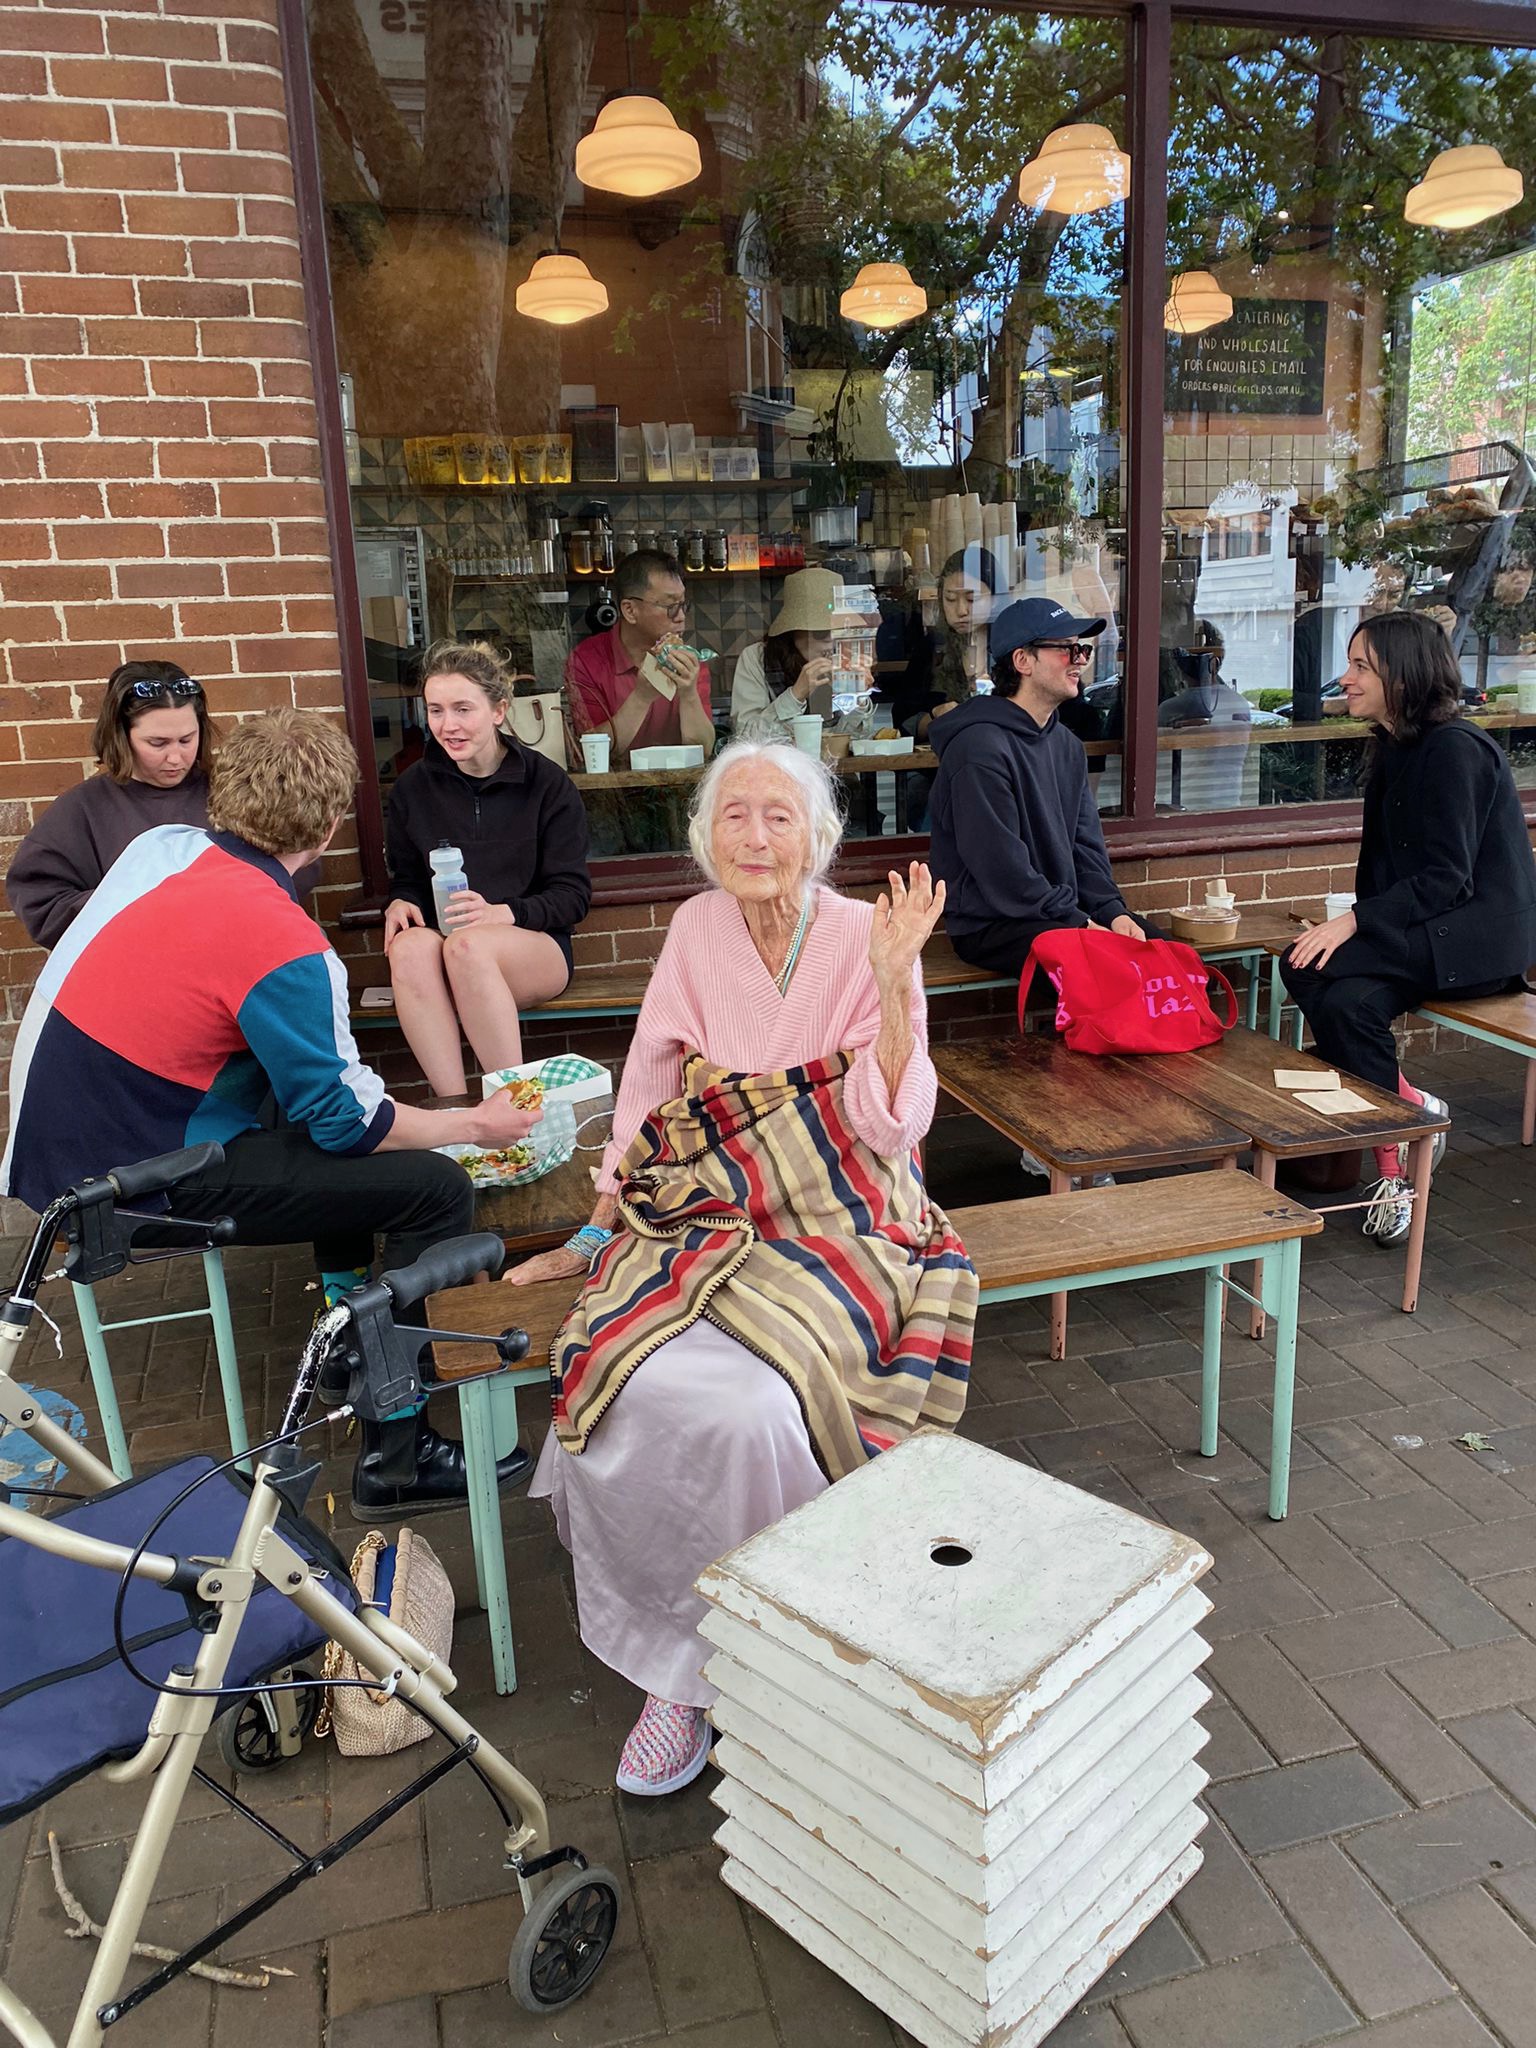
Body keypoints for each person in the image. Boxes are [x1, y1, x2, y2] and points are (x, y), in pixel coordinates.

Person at [503, 742, 976, 1797]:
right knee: (623, 1370)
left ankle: (789, 1635)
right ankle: (683, 1666)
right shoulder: (695, 928)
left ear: (817, 838)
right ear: (705, 836)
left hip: (842, 1213)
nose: (755, 838)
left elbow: (891, 1124)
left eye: (778, 818)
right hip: (702, 1207)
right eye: (734, 817)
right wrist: (597, 1227)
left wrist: (897, 985)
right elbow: (651, 1084)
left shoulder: (864, 934)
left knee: (761, 1408)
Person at [2, 710, 545, 1516]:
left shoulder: (163, 852)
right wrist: (474, 1124)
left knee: (338, 1142)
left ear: (224, 796)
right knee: (430, 1187)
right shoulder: (287, 944)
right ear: (329, 827)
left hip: (58, 1149)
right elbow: (350, 1125)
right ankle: (395, 1449)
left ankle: (343, 1345)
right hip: (134, 1185)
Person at [1282, 611, 1536, 1246]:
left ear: (1406, 673)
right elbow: (1386, 869)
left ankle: (1397, 1152)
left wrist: (1355, 925)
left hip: (1474, 943)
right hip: (1424, 934)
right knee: (1335, 992)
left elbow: (1449, 878)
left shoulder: (1455, 750)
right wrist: (1357, 925)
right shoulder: (1394, 746)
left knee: (1311, 963)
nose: (1345, 679)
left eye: (1361, 666)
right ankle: (1407, 1135)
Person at [384, 640, 591, 1097]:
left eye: (463, 709)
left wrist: (504, 912)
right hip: (449, 945)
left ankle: (514, 1109)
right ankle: (456, 1110)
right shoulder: (412, 790)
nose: (448, 725)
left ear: (498, 711)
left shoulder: (546, 784)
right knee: (408, 949)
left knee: (467, 948)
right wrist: (403, 901)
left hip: (534, 947)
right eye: (435, 710)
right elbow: (410, 880)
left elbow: (573, 897)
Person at [928, 596, 1153, 979]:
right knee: (1113, 976)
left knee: (1168, 958)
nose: (1082, 659)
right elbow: (1002, 870)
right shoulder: (978, 749)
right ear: (1023, 661)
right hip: (993, 924)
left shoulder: (1066, 744)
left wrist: (1111, 911)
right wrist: (1080, 924)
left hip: (1057, 912)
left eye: (1082, 649)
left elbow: (1086, 847)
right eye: (1068, 650)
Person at [7, 659, 215, 949]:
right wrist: (137, 906)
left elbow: (288, 864)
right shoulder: (83, 809)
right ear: (122, 736)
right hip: (135, 970)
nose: (176, 757)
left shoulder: (230, 792)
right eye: (158, 743)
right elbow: (42, 902)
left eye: (186, 739)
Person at [564, 549, 715, 762]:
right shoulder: (585, 661)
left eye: (683, 605)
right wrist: (642, 696)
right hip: (612, 791)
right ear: (630, 610)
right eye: (670, 606)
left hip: (678, 788)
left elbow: (704, 750)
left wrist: (689, 693)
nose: (681, 617)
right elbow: (594, 754)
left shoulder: (688, 660)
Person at [729, 566, 843, 739]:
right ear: (794, 631)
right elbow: (746, 738)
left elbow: (857, 737)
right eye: (820, 631)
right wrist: (796, 695)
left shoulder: (843, 656)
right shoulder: (757, 658)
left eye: (838, 631)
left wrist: (860, 698)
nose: (830, 640)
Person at [1156, 620, 1253, 811]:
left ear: (1179, 667)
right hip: (1230, 801)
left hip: (1186, 806)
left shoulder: (1170, 708)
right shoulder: (1239, 703)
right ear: (1216, 663)